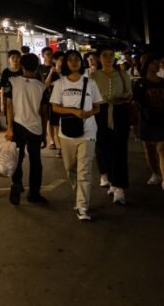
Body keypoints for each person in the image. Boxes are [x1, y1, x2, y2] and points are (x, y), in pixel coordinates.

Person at [51, 50, 105, 222]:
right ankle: (79, 195)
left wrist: (89, 114)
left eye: (77, 59)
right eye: (70, 60)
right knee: (70, 168)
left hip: (88, 131)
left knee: (85, 170)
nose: (74, 62)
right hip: (66, 133)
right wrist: (74, 112)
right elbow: (55, 108)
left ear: (81, 63)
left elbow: (98, 106)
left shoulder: (90, 83)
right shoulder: (60, 83)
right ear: (66, 63)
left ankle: (82, 205)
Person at [4, 53, 50, 205]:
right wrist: (44, 133)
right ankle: (34, 194)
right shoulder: (42, 87)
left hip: (18, 125)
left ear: (22, 66)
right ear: (37, 67)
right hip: (35, 128)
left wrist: (9, 127)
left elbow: (9, 106)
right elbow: (44, 113)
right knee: (35, 161)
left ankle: (16, 184)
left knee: (17, 158)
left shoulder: (13, 81)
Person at [91, 46, 134, 205]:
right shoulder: (93, 76)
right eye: (104, 55)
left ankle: (119, 187)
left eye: (111, 55)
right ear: (99, 58)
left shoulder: (123, 74)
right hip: (100, 114)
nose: (108, 58)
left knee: (119, 149)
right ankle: (112, 178)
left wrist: (119, 98)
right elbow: (90, 97)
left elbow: (129, 94)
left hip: (119, 112)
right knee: (104, 149)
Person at [134, 55, 164, 191]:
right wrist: (135, 124)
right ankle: (156, 174)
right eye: (154, 62)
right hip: (147, 120)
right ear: (147, 65)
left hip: (163, 118)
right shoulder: (140, 83)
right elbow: (136, 103)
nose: (157, 64)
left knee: (163, 149)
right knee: (149, 150)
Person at [45, 51, 66, 153]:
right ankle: (59, 147)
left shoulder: (67, 72)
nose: (63, 62)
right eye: (61, 59)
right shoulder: (52, 72)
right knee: (56, 125)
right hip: (54, 102)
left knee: (62, 125)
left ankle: (62, 147)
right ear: (55, 61)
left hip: (66, 102)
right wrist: (51, 72)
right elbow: (46, 84)